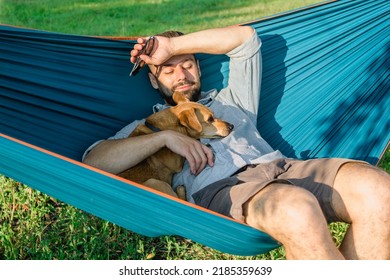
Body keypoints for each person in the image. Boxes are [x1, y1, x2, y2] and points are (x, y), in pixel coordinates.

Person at [82, 26, 390, 259]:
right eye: (168, 69)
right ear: (153, 80)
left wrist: (171, 47)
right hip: (222, 190)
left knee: (380, 191)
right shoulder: (147, 127)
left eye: (187, 64)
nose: (181, 75)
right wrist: (165, 137)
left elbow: (246, 40)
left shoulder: (232, 101)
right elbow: (94, 162)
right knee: (298, 211)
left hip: (283, 167)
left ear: (199, 67)